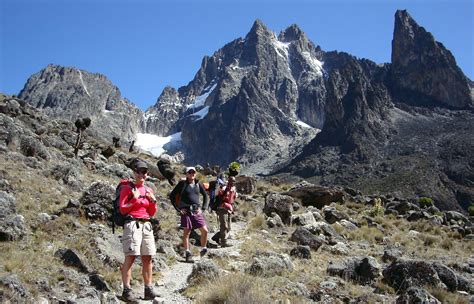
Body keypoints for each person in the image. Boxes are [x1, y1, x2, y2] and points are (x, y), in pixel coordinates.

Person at [119, 160, 159, 302]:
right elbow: (123, 209)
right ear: (134, 172)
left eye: (144, 172)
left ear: (147, 174)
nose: (141, 174)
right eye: (138, 171)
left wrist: (153, 201)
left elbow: (151, 212)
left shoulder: (148, 190)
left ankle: (148, 289)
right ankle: (126, 290)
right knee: (131, 256)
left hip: (146, 225)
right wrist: (135, 200)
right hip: (132, 224)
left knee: (147, 258)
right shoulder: (127, 189)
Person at [169, 166, 209, 262]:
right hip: (186, 211)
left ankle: (203, 249)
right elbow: (172, 196)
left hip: (196, 211)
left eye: (193, 172)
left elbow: (206, 196)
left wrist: (203, 209)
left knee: (205, 231)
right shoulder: (182, 184)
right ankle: (187, 253)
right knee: (187, 232)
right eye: (190, 172)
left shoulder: (198, 183)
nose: (192, 174)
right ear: (186, 174)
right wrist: (178, 209)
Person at [211, 176, 237, 247]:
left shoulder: (233, 189)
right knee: (224, 226)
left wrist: (232, 208)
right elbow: (218, 195)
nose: (233, 182)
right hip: (221, 208)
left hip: (229, 209)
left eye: (234, 181)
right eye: (231, 181)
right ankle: (223, 242)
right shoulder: (224, 188)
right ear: (228, 181)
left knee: (228, 228)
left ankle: (216, 237)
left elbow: (233, 199)